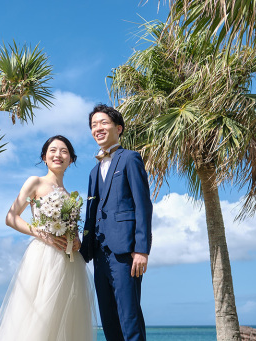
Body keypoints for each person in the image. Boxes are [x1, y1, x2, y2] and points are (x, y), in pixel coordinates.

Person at [0, 135, 96, 341]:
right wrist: (41, 235)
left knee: (66, 321)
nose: (58, 155)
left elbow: (72, 230)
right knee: (38, 318)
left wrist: (77, 242)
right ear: (44, 157)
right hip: (42, 259)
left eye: (64, 151)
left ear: (71, 160)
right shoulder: (35, 182)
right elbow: (11, 218)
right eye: (53, 151)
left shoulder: (70, 195)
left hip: (70, 263)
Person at [80, 104, 153, 341]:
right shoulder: (93, 171)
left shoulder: (130, 158)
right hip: (99, 253)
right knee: (108, 319)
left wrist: (141, 249)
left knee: (129, 316)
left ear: (118, 128)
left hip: (126, 251)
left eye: (103, 123)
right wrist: (83, 247)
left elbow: (143, 205)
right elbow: (92, 213)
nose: (97, 128)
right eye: (93, 125)